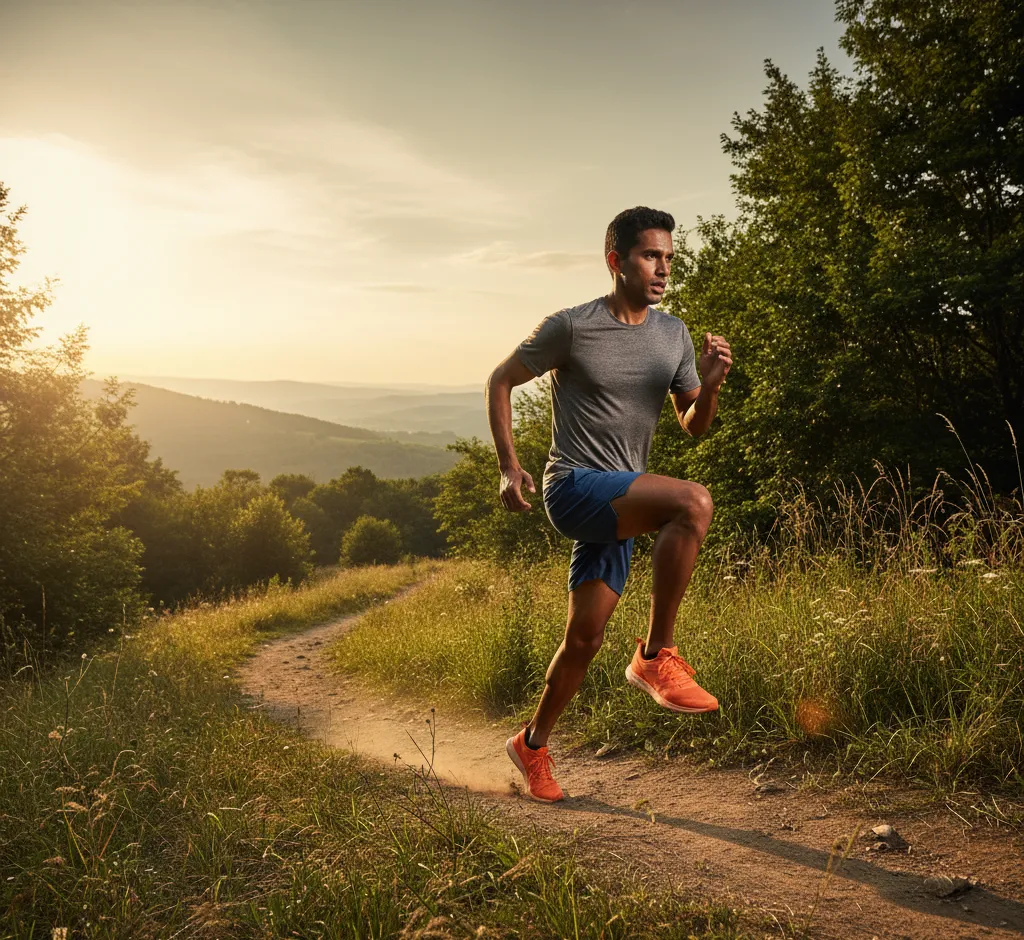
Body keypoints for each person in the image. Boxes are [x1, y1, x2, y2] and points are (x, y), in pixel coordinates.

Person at [484, 206, 733, 803]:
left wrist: (712, 384)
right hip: (572, 487)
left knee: (585, 639)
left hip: (619, 503)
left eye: (669, 257)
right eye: (650, 256)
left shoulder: (671, 334)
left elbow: (693, 425)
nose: (663, 268)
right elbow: (499, 379)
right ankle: (655, 655)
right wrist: (507, 465)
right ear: (615, 260)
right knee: (693, 504)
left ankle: (532, 746)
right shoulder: (571, 326)